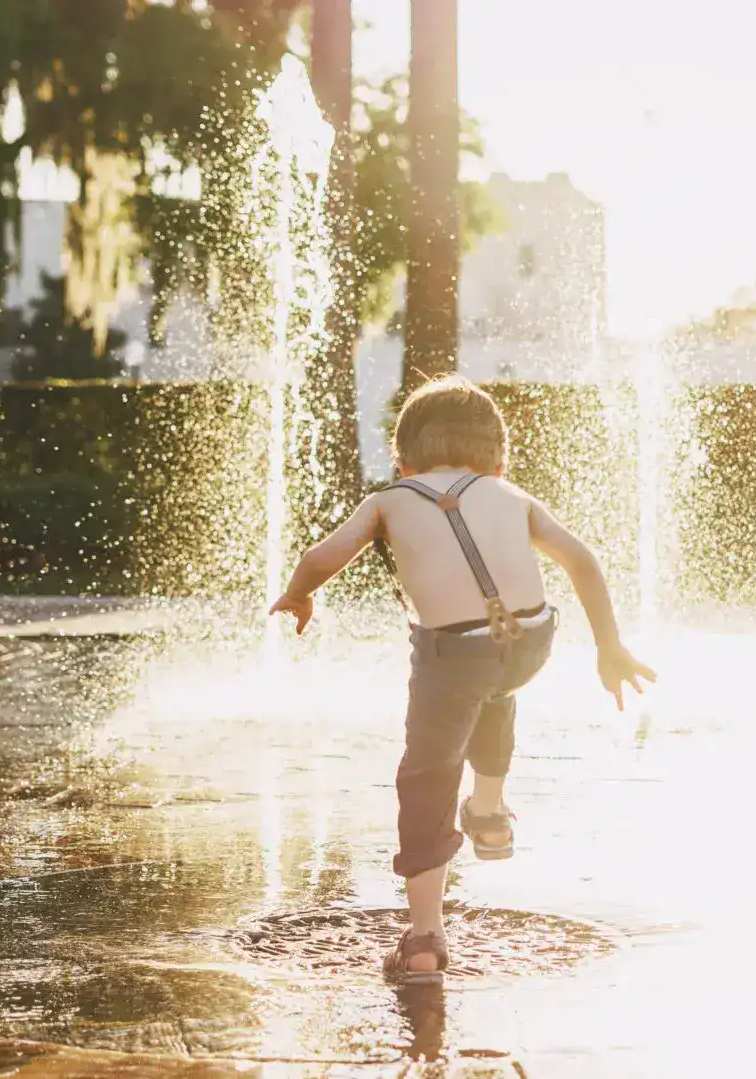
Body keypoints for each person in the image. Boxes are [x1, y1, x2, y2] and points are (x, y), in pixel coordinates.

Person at [269, 376, 656, 986]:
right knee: (494, 690)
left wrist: (299, 595)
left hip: (452, 654)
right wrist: (609, 647)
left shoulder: (388, 501)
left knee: (428, 775)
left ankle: (424, 939)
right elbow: (583, 560)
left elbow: (320, 558)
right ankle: (491, 811)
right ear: (499, 458)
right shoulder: (511, 495)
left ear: (403, 460)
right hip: (530, 641)